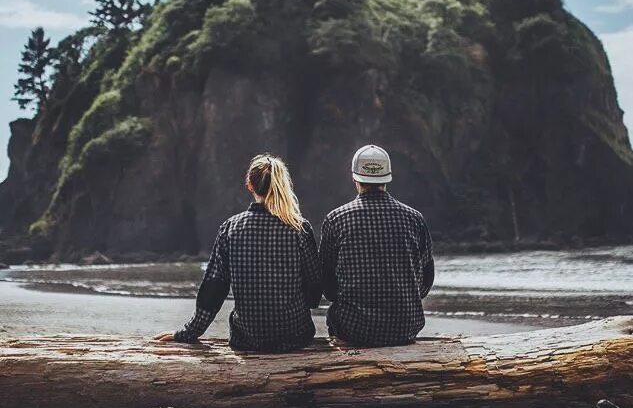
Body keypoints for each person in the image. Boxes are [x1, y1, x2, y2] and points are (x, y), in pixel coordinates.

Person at [154, 154, 322, 351]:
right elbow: (314, 292)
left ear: (249, 185)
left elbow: (213, 290)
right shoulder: (299, 228)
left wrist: (188, 332)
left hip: (248, 340)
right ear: (283, 184)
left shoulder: (231, 228)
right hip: (295, 337)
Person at [319, 144, 434, 347]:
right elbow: (425, 280)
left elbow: (328, 286)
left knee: (335, 316)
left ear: (355, 179)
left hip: (354, 329)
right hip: (404, 328)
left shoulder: (336, 219)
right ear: (388, 178)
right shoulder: (414, 218)